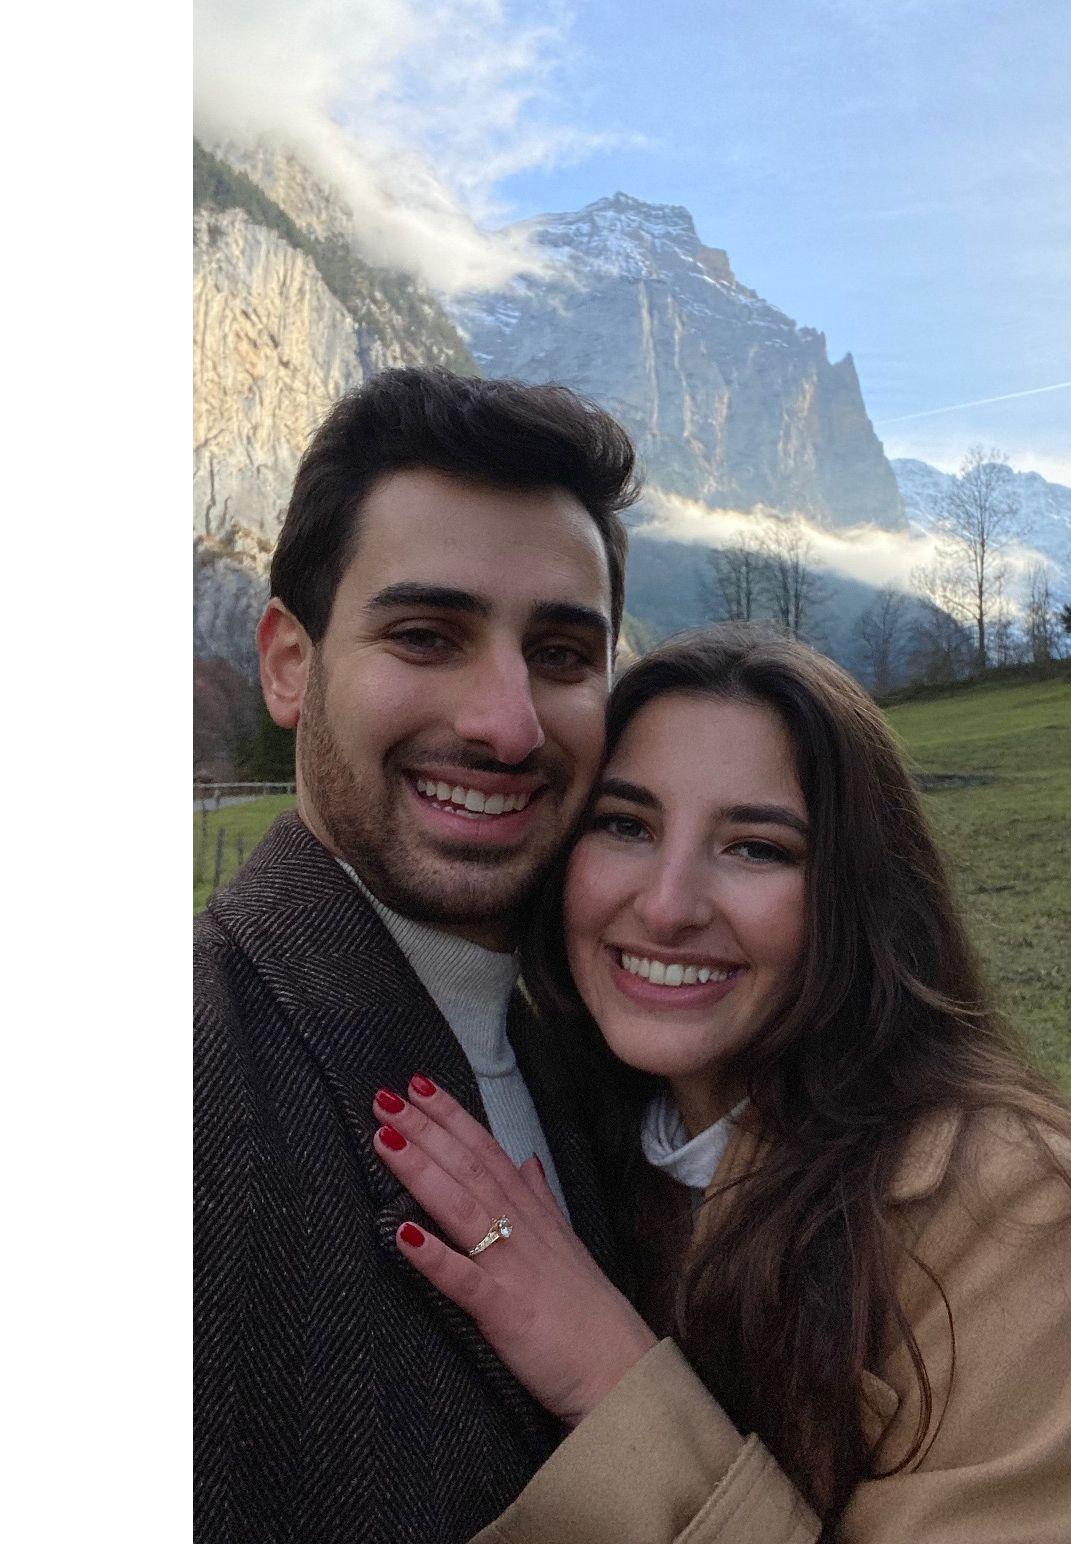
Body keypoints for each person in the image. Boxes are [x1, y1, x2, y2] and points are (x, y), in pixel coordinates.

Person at [368, 627, 1071, 1543]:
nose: (667, 905)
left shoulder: (1020, 1216)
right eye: (626, 826)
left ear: (855, 896)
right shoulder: (573, 1130)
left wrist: (604, 1372)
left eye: (758, 849)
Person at [193, 366, 644, 1544]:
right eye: (426, 635)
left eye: (559, 654)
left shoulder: (617, 1039)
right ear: (290, 664)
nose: (506, 722)